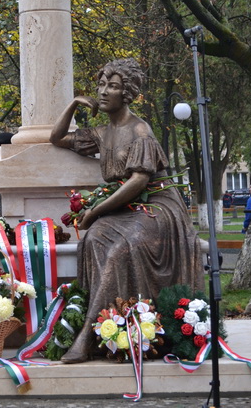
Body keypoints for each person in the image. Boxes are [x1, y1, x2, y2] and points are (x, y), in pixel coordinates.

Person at [50, 58, 204, 363]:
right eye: (101, 84)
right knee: (93, 240)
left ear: (128, 93)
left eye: (113, 86)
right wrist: (74, 103)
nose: (103, 91)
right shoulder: (101, 133)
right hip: (125, 208)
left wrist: (94, 211)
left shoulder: (140, 130)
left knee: (121, 248)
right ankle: (109, 325)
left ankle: (89, 336)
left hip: (157, 206)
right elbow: (57, 138)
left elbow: (138, 181)